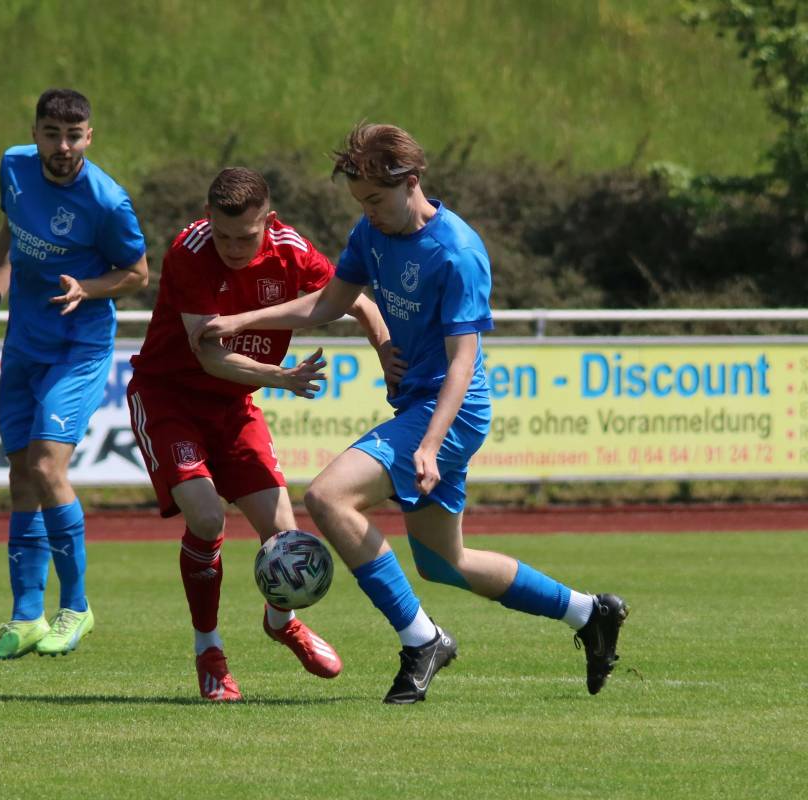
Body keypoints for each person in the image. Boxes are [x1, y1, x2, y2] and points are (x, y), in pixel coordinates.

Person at [191, 124, 629, 704]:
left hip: (450, 412)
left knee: (328, 497)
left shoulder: (457, 253)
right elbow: (329, 303)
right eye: (360, 202)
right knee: (446, 562)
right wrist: (242, 321)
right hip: (422, 407)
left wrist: (429, 444)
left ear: (412, 182)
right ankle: (589, 612)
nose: (368, 212)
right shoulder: (372, 232)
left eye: (375, 199)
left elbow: (463, 362)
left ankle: (422, 640)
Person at [128, 167, 396, 701]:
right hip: (169, 399)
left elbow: (359, 303)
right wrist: (282, 377)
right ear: (208, 218)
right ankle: (209, 650)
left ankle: (281, 621)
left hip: (233, 407)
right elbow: (208, 355)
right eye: (223, 234)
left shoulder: (291, 251)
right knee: (206, 517)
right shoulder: (189, 250)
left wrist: (387, 354)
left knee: (286, 539)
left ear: (268, 221)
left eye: (245, 237)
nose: (232, 247)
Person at [0, 89, 149, 659]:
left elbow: (137, 274)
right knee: (21, 473)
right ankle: (26, 617)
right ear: (36, 134)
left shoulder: (107, 201)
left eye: (74, 136)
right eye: (52, 134)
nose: (63, 146)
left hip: (79, 346)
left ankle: (76, 607)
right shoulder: (13, 166)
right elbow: (10, 229)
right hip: (25, 340)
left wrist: (87, 288)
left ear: (89, 136)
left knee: (48, 465)